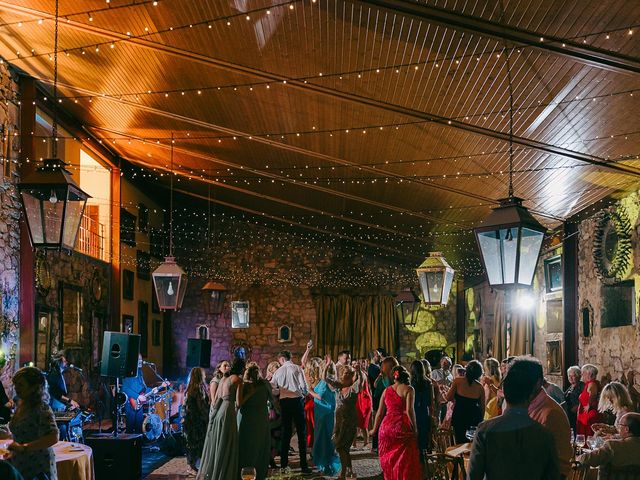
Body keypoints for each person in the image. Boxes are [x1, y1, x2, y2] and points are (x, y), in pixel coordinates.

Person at [468, 361, 560, 480]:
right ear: (529, 396)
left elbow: (474, 476)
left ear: (504, 394)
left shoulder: (485, 430)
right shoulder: (545, 435)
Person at [509, 356, 572, 478]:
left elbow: (559, 463)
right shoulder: (525, 404)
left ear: (538, 382)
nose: (517, 385)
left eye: (522, 381)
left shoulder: (550, 413)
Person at [4, 367, 59, 480]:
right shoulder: (21, 405)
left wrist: (24, 447)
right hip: (21, 463)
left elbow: (53, 437)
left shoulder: (42, 408)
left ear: (34, 387)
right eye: (15, 385)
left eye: (21, 385)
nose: (16, 388)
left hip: (38, 466)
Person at [371, 365, 423, 480]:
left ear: (394, 377)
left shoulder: (386, 390)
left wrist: (374, 429)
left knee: (389, 460)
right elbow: (410, 411)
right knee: (404, 461)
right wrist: (414, 429)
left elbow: (379, 413)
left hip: (386, 427)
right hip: (401, 426)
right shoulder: (409, 389)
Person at [197, 358, 244, 480]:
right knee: (226, 440)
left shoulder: (223, 379)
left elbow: (216, 399)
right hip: (228, 411)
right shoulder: (238, 380)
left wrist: (213, 416)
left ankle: (215, 471)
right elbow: (238, 403)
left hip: (219, 412)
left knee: (219, 441)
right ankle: (224, 473)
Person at [270, 350, 311, 474]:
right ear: (289, 358)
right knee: (301, 434)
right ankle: (304, 466)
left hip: (285, 403)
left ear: (282, 359)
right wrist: (303, 394)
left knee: (286, 434)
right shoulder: (298, 368)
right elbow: (304, 388)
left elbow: (273, 389)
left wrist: (281, 391)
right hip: (297, 401)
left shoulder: (278, 371)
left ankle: (283, 466)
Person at [577, 412, 640, 478]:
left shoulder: (613, 446)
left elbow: (586, 460)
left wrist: (578, 458)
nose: (618, 428)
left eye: (620, 425)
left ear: (626, 429)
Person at [238, 362, 272, 480]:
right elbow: (272, 401)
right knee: (259, 445)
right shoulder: (265, 384)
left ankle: (244, 473)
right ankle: (258, 473)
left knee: (246, 445)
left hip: (246, 418)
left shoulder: (244, 385)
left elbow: (238, 404)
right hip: (260, 418)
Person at [308, 360, 340, 476]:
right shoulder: (332, 380)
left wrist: (310, 391)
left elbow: (320, 397)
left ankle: (325, 467)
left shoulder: (325, 381)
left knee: (323, 440)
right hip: (327, 413)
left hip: (323, 414)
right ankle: (325, 467)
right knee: (326, 440)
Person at [331, 365, 360, 480]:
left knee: (341, 447)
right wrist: (327, 366)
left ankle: (343, 473)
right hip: (339, 421)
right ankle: (350, 471)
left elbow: (361, 381)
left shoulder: (353, 388)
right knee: (343, 448)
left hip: (349, 421)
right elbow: (325, 379)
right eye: (345, 373)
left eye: (349, 373)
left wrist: (358, 371)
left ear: (353, 376)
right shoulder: (338, 387)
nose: (347, 375)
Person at [445, 359, 485, 444]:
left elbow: (448, 397)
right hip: (474, 417)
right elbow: (482, 407)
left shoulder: (458, 381)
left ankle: (459, 457)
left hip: (460, 415)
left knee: (459, 442)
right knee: (472, 443)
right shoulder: (480, 387)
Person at [183, 367, 210, 474]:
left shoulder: (189, 389)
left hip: (190, 420)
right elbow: (201, 407)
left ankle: (192, 466)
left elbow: (185, 407)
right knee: (197, 443)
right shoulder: (199, 389)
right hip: (197, 420)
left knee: (191, 443)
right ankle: (193, 467)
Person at [372, 356, 399, 452]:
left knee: (381, 422)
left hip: (383, 399)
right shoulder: (386, 375)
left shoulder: (389, 376)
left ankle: (381, 446)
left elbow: (387, 387)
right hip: (383, 399)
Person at [122, 354, 152, 434]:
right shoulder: (128, 372)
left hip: (139, 403)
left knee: (139, 427)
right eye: (138, 359)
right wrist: (138, 396)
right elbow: (124, 389)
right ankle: (128, 445)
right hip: (130, 402)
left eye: (141, 359)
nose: (141, 361)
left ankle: (138, 444)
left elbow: (143, 387)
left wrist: (154, 389)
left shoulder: (140, 372)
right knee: (130, 428)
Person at [410, 360, 433, 458]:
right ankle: (422, 457)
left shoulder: (410, 383)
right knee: (423, 435)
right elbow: (430, 401)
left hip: (413, 411)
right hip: (424, 411)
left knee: (414, 435)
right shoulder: (428, 382)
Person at [577, 363, 603, 436]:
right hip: (585, 415)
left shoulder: (592, 384)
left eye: (583, 373)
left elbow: (593, 394)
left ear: (589, 374)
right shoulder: (588, 384)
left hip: (589, 415)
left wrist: (589, 405)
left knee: (588, 435)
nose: (582, 375)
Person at [265, 361, 282, 469]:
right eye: (276, 371)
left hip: (278, 411)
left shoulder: (279, 381)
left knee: (277, 436)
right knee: (270, 437)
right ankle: (268, 459)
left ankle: (272, 458)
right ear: (271, 371)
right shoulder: (267, 382)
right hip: (270, 411)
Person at [354, 360, 372, 449]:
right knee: (355, 422)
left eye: (355, 364)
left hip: (364, 400)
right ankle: (353, 444)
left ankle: (366, 443)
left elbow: (360, 388)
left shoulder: (362, 374)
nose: (354, 366)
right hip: (358, 399)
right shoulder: (355, 373)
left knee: (363, 423)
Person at [432, 355, 454, 422]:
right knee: (437, 416)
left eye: (446, 363)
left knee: (444, 417)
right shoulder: (435, 372)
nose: (444, 364)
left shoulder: (450, 375)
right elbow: (432, 383)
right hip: (437, 399)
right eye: (443, 362)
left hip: (446, 399)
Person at [564, 365, 585, 432]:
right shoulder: (571, 387)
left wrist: (577, 407)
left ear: (578, 376)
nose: (570, 378)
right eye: (569, 376)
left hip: (577, 415)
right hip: (569, 414)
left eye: (573, 376)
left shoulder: (582, 386)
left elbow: (584, 400)